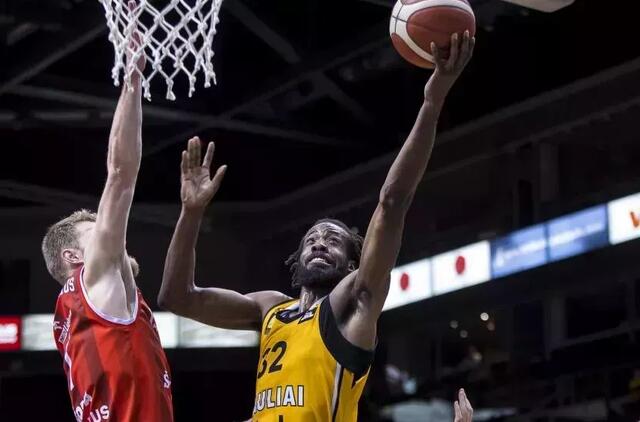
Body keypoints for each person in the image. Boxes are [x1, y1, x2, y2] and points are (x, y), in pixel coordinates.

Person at [159, 31, 474, 421]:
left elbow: (393, 201)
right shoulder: (270, 309)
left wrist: (432, 101)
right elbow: (177, 297)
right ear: (298, 259)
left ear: (352, 263)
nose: (320, 243)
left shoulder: (355, 300)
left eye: (333, 239)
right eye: (312, 239)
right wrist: (191, 213)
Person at [41, 36, 174, 422]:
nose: (109, 234)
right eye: (95, 232)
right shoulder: (95, 278)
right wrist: (133, 79)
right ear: (73, 255)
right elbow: (120, 174)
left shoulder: (70, 317)